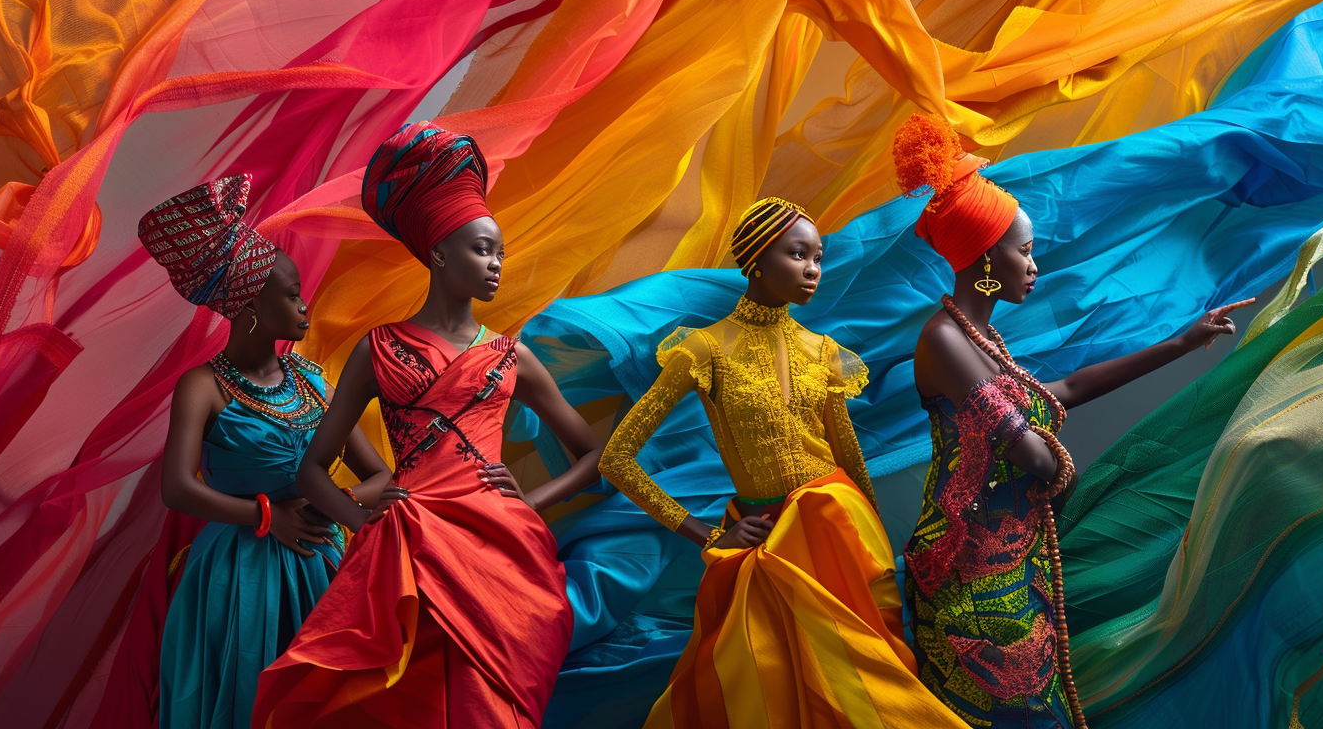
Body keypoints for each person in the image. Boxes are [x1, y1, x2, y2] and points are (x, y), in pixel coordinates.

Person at [893, 114, 1252, 729]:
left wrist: (1181, 344)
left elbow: (1063, 390)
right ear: (986, 258)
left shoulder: (979, 336)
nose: (1035, 265)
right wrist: (1066, 478)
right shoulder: (945, 340)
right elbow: (1028, 449)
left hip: (1011, 557)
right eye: (1024, 251)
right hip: (966, 569)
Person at [250, 122, 603, 728]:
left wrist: (531, 502)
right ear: (439, 254)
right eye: (481, 249)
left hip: (500, 545)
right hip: (408, 545)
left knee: (487, 706)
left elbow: (594, 453)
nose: (495, 263)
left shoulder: (512, 356)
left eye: (498, 250)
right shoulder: (378, 346)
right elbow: (313, 469)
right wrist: (360, 521)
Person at [599, 197, 970, 727]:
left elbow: (849, 457)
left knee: (868, 682)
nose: (813, 269)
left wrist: (874, 543)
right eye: (798, 254)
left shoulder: (823, 351)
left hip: (839, 534)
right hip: (767, 543)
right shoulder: (705, 350)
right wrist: (704, 533)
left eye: (818, 257)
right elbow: (617, 458)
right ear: (756, 259)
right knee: (768, 688)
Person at [142, 174, 396, 729]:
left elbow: (380, 476)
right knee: (245, 701)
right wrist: (266, 516)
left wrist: (330, 501)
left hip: (320, 563)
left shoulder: (309, 379)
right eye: (291, 295)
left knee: (320, 704)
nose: (305, 306)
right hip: (237, 578)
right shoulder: (203, 386)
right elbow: (177, 488)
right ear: (251, 306)